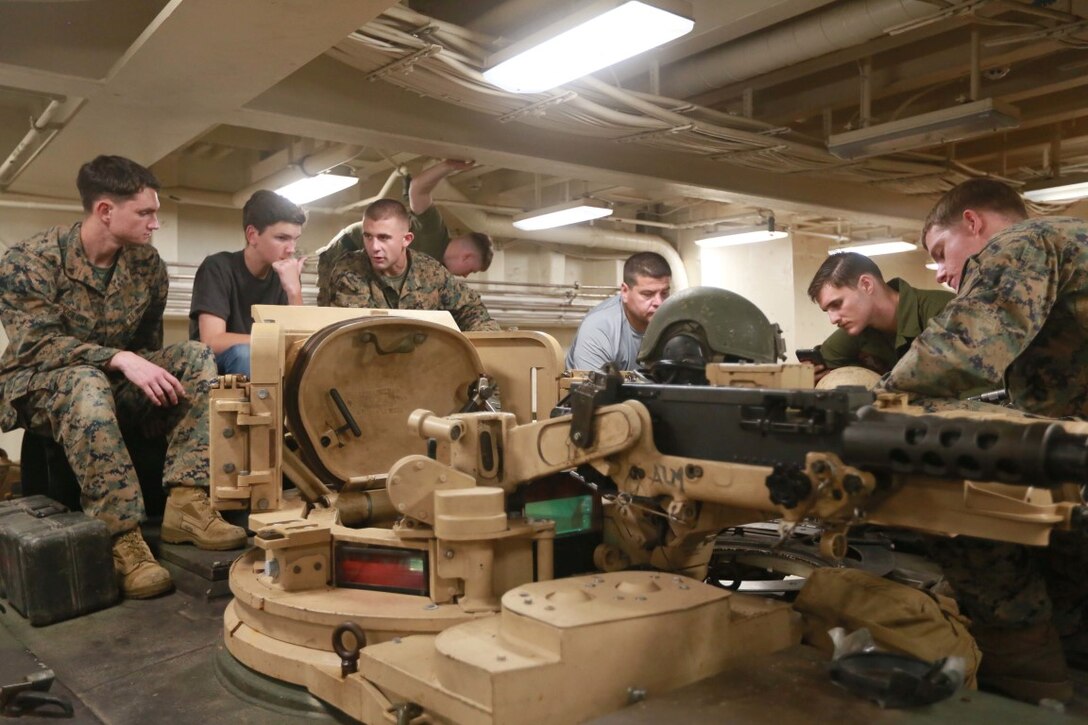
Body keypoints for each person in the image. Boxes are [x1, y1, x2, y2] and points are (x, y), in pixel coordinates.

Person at [0, 155, 246, 600]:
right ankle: (122, 539)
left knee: (192, 356)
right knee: (84, 382)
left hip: (108, 380)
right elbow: (38, 347)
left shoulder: (146, 265)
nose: (155, 224)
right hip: (37, 383)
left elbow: (149, 348)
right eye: (145, 213)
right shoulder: (28, 260)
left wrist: (151, 393)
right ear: (105, 211)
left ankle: (188, 504)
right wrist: (119, 359)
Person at [880, 177, 1088, 703]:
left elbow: (962, 353)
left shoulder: (1023, 242)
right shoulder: (1074, 241)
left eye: (941, 252)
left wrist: (870, 409)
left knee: (962, 503)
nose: (944, 275)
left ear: (972, 223)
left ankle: (1024, 681)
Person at [317, 159, 494, 305]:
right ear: (467, 257)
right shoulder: (434, 230)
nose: (464, 275)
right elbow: (417, 188)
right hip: (349, 248)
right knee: (337, 308)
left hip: (371, 263)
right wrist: (448, 166)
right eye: (470, 270)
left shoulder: (435, 271)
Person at [326, 198, 500, 332]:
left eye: (384, 238)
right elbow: (358, 331)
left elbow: (471, 309)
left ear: (406, 239)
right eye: (368, 236)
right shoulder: (350, 270)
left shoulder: (431, 272)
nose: (374, 247)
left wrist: (483, 340)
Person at [189, 190, 306, 376]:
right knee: (244, 355)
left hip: (266, 360)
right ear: (252, 235)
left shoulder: (284, 274)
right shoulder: (218, 267)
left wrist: (294, 291)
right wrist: (273, 340)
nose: (291, 249)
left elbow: (299, 342)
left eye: (295, 239)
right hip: (215, 367)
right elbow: (212, 340)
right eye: (282, 238)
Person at [806, 252, 953, 378]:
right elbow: (821, 364)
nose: (833, 319)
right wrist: (812, 375)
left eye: (837, 304)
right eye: (827, 310)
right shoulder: (857, 329)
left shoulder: (945, 311)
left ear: (866, 285)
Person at [565, 252, 671, 372]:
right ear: (625, 292)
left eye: (664, 293)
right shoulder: (599, 327)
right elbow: (593, 389)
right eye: (648, 294)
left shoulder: (673, 322)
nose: (659, 302)